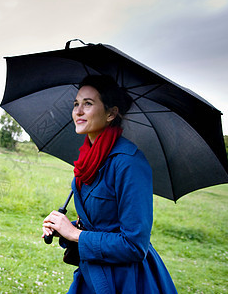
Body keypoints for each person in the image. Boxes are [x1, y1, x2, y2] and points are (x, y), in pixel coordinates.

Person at [42, 75, 178, 293]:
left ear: (111, 113)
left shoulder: (129, 162)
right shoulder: (87, 160)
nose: (78, 111)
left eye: (88, 103)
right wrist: (65, 229)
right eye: (76, 103)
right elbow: (100, 222)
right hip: (91, 274)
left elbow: (135, 245)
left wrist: (75, 235)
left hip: (126, 281)